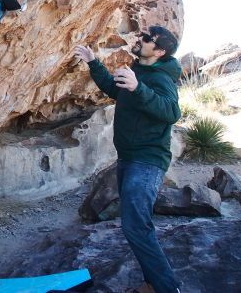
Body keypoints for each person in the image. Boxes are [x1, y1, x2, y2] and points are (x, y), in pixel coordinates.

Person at [74, 26, 183, 293]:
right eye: (143, 35)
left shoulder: (161, 78)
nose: (140, 39)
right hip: (129, 158)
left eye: (147, 39)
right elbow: (115, 89)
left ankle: (167, 288)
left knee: (136, 225)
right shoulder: (141, 70)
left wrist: (138, 88)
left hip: (147, 161)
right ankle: (152, 284)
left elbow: (171, 112)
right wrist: (93, 62)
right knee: (135, 226)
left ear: (159, 51)